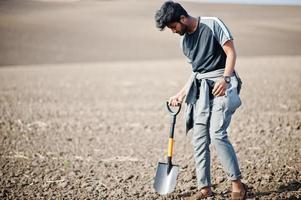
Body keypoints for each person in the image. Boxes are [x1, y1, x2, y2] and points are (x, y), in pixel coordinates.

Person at [154, 1, 247, 200]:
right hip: (202, 90)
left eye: (173, 27)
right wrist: (180, 94)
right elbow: (197, 73)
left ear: (182, 18)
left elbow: (231, 52)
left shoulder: (212, 24)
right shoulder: (184, 42)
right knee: (199, 138)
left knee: (217, 134)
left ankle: (237, 184)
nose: (173, 31)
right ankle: (204, 188)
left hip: (224, 82)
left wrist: (226, 78)